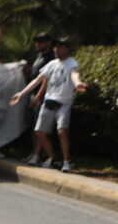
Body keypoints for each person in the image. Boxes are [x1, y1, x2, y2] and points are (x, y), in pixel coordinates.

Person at [10, 37, 88, 173]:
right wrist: (21, 94)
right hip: (49, 101)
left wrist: (78, 84)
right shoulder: (52, 64)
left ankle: (66, 162)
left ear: (66, 49)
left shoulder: (71, 63)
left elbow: (74, 75)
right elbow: (38, 80)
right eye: (55, 47)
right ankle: (53, 158)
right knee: (39, 132)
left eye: (60, 47)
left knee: (62, 131)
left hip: (63, 103)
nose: (56, 49)